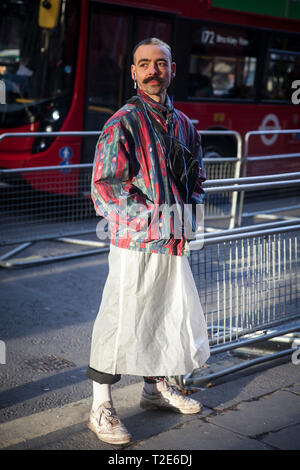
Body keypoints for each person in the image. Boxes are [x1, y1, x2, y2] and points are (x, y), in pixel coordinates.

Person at [86, 37, 210, 445]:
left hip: (174, 243)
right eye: (145, 64)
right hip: (135, 245)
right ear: (134, 72)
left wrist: (186, 216)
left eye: (161, 63)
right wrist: (156, 222)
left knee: (162, 316)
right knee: (118, 321)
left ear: (172, 70)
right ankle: (99, 406)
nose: (153, 70)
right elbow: (106, 188)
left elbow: (198, 180)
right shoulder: (121, 122)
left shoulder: (185, 125)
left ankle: (154, 389)